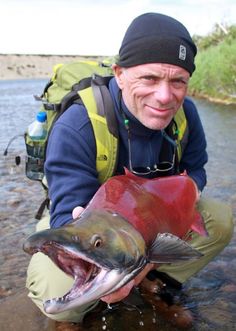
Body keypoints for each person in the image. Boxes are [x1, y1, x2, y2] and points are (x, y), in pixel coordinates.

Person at [26, 12, 234, 323]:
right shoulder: (77, 126)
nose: (165, 97)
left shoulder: (186, 114)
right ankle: (78, 312)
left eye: (178, 81)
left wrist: (143, 262)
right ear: (120, 74)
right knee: (55, 289)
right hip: (94, 223)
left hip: (154, 217)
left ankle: (154, 282)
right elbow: (67, 213)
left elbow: (197, 170)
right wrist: (108, 264)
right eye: (149, 78)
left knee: (219, 220)